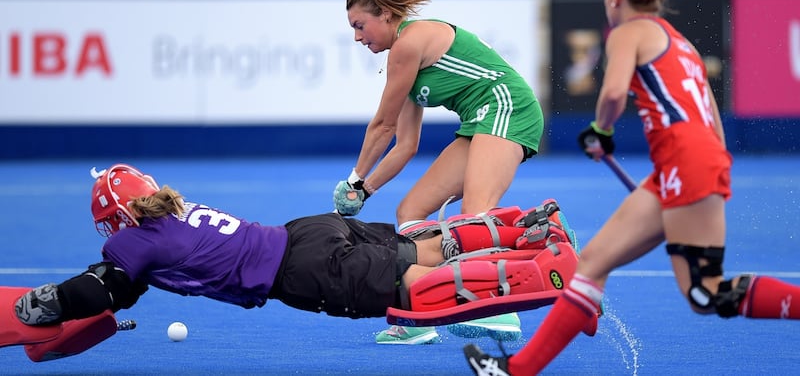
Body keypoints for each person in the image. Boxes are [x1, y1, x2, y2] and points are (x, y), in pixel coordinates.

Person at [463, 0, 800, 376]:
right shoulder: (680, 42)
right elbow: (712, 120)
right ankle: (518, 369)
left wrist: (600, 131)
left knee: (706, 292)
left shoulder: (626, 32)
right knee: (593, 264)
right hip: (690, 163)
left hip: (685, 164)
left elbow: (615, 92)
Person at [4, 163, 580, 360]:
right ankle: (523, 233)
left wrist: (46, 302)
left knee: (415, 287)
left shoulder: (131, 240)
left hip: (300, 272)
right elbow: (125, 289)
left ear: (113, 219)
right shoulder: (173, 211)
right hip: (309, 231)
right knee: (423, 246)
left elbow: (100, 290)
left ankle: (532, 272)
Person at [331, 0, 546, 344]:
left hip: (507, 107)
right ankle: (423, 313)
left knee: (473, 214)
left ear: (384, 15)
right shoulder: (404, 55)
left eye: (360, 26)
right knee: (410, 211)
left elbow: (382, 126)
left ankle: (503, 310)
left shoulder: (409, 44)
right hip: (479, 120)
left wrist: (354, 178)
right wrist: (364, 191)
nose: (358, 37)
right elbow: (405, 146)